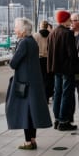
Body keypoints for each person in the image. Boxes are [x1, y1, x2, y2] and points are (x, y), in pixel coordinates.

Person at [6, 18, 52, 149]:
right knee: (32, 112)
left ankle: (28, 142)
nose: (15, 30)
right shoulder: (32, 41)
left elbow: (13, 63)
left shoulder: (23, 43)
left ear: (22, 30)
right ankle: (32, 139)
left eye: (16, 28)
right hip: (34, 81)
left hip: (24, 83)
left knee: (25, 112)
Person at [47, 10, 79, 131]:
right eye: (69, 19)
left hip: (56, 68)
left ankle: (56, 120)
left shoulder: (53, 33)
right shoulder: (68, 33)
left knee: (57, 93)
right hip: (67, 69)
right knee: (66, 94)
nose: (71, 21)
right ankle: (64, 121)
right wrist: (76, 62)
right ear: (65, 20)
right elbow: (72, 53)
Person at [32, 19, 53, 102]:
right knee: (48, 79)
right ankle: (47, 97)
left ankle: (40, 97)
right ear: (47, 26)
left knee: (39, 78)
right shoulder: (51, 35)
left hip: (39, 59)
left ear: (40, 26)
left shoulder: (35, 36)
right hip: (48, 59)